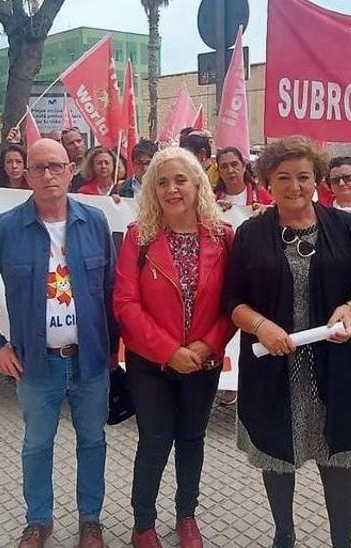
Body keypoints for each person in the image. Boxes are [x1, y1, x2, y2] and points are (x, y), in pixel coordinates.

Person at [0, 138, 118, 548]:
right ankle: (38, 521)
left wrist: (115, 350)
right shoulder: (5, 228)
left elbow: (112, 289)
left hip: (90, 362)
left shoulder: (95, 223)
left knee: (93, 441)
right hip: (35, 364)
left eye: (56, 166)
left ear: (70, 170)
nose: (48, 175)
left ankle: (90, 521)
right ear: (26, 174)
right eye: (38, 168)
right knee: (36, 445)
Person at [222, 136, 351, 548]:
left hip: (334, 369)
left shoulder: (344, 227)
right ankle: (283, 533)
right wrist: (260, 324)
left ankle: (343, 540)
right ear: (267, 181)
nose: (294, 186)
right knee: (277, 453)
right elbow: (231, 299)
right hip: (273, 369)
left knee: (339, 457)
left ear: (317, 179)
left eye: (304, 176)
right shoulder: (250, 234)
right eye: (283, 177)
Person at [116, 147, 235, 548]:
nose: (172, 189)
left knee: (191, 439)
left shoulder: (223, 237)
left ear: (198, 181)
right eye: (162, 181)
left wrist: (206, 346)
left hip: (204, 361)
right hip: (150, 363)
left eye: (180, 179)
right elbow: (125, 304)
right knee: (154, 439)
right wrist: (169, 351)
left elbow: (232, 304)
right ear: (152, 188)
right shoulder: (139, 237)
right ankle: (143, 523)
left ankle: (187, 515)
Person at [214, 146, 272, 211]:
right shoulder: (212, 199)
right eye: (224, 167)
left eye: (234, 165)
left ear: (244, 166)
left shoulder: (260, 194)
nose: (230, 170)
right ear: (219, 171)